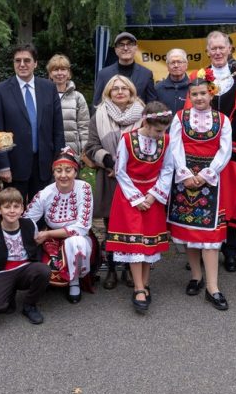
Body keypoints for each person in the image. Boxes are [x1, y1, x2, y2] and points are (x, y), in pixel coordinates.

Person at [188, 31, 236, 272]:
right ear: (207, 51)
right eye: (213, 48)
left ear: (229, 49)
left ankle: (230, 250)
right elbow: (191, 112)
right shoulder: (196, 77)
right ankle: (198, 252)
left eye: (222, 48)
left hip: (230, 151)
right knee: (200, 200)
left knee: (230, 199)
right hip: (202, 151)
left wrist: (226, 145)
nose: (217, 52)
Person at [167, 72, 232, 310]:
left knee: (211, 236)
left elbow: (225, 151)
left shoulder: (223, 120)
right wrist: (185, 175)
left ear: (211, 93)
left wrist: (205, 176)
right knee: (189, 232)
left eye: (203, 93)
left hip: (211, 181)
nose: (199, 97)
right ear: (189, 96)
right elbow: (174, 147)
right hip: (184, 180)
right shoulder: (179, 117)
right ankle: (196, 275)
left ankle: (213, 288)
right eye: (194, 94)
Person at [106, 101, 174, 313]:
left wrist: (153, 196)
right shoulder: (127, 139)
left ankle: (145, 282)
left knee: (149, 242)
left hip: (153, 196)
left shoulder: (166, 140)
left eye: (163, 130)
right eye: (157, 130)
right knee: (136, 242)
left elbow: (167, 169)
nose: (159, 135)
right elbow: (120, 170)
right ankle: (138, 287)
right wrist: (137, 198)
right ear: (146, 121)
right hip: (129, 197)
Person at [83, 75, 144, 289]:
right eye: (115, 89)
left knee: (133, 226)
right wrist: (110, 163)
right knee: (111, 227)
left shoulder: (143, 116)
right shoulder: (98, 115)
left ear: (131, 92)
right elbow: (91, 146)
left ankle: (129, 269)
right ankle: (111, 269)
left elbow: (148, 143)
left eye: (124, 88)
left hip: (135, 178)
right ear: (108, 93)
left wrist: (126, 167)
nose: (119, 92)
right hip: (109, 178)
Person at [0, 43, 65, 202]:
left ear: (35, 63)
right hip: (14, 164)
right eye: (18, 60)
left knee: (41, 210)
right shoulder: (1, 90)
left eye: (27, 60)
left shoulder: (49, 88)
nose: (22, 64)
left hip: (44, 164)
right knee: (13, 211)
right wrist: (3, 166)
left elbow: (58, 129)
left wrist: (59, 162)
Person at [24, 148, 96, 303]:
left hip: (79, 238)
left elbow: (82, 227)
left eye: (68, 170)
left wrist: (48, 234)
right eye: (58, 170)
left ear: (75, 172)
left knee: (76, 243)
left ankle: (74, 281)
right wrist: (36, 234)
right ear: (53, 173)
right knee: (45, 266)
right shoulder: (45, 193)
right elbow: (27, 219)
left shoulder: (84, 188)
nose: (63, 175)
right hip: (52, 240)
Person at [0, 188, 51, 325]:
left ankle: (29, 305)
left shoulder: (29, 225)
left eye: (16, 206)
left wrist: (38, 265)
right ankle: (8, 295)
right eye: (7, 207)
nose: (12, 211)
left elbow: (36, 247)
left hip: (25, 269)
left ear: (22, 208)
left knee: (43, 270)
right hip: (2, 272)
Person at [93, 31, 158, 106]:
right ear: (116, 50)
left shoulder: (146, 74)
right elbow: (96, 104)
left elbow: (152, 105)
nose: (125, 48)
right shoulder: (104, 74)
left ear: (136, 48)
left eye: (129, 44)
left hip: (138, 117)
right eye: (121, 45)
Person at [47, 54, 90, 157]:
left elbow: (84, 128)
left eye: (63, 69)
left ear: (68, 73)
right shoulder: (43, 96)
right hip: (49, 151)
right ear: (50, 74)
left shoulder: (78, 97)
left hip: (72, 152)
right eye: (55, 69)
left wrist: (84, 153)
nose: (59, 73)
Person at [155, 48, 190, 115]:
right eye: (172, 62)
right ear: (167, 66)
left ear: (186, 65)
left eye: (179, 62)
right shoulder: (158, 88)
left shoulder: (193, 87)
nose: (176, 65)